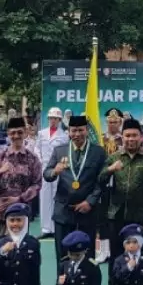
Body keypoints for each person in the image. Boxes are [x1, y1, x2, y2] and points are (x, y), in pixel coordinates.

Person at [99, 117, 143, 285]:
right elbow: (99, 180)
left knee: (140, 257)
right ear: (122, 137)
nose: (130, 139)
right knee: (116, 257)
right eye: (127, 135)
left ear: (141, 137)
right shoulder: (113, 158)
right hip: (115, 215)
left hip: (139, 217)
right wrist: (110, 170)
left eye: (134, 135)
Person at [42, 114, 107, 269]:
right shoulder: (59, 151)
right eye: (73, 130)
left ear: (86, 130)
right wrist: (54, 172)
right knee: (62, 253)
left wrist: (90, 201)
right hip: (63, 210)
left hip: (87, 211)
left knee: (88, 252)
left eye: (80, 130)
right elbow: (47, 174)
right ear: (68, 132)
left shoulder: (98, 152)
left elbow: (102, 180)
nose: (77, 134)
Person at [0, 117, 42, 239]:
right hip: (1, 210)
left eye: (20, 132)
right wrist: (0, 172)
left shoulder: (32, 158)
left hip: (22, 209)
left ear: (25, 133)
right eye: (13, 133)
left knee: (21, 248)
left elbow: (37, 184)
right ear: (8, 134)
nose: (16, 136)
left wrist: (19, 198)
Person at [34, 107, 67, 239]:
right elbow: (37, 148)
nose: (53, 121)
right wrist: (40, 160)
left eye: (55, 118)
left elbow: (65, 152)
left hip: (57, 169)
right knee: (44, 198)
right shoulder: (42, 133)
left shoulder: (64, 136)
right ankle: (46, 228)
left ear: (59, 120)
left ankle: (55, 227)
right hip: (44, 168)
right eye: (51, 118)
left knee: (56, 197)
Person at [98, 108, 124, 263]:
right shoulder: (100, 139)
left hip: (120, 182)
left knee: (118, 217)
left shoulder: (124, 139)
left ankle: (117, 248)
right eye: (110, 121)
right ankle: (103, 250)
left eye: (115, 121)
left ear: (120, 122)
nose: (112, 124)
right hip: (103, 181)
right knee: (102, 218)